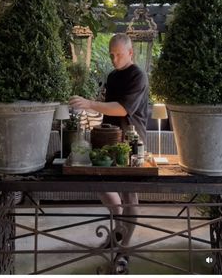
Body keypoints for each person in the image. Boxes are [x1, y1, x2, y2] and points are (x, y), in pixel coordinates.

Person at [69, 33, 149, 268]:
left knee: (129, 195)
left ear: (131, 53)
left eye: (118, 54)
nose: (114, 59)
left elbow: (123, 109)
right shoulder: (113, 76)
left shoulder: (138, 75)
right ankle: (118, 230)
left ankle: (124, 250)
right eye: (111, 54)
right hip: (107, 138)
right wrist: (88, 106)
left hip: (132, 141)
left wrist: (90, 103)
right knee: (101, 184)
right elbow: (107, 106)